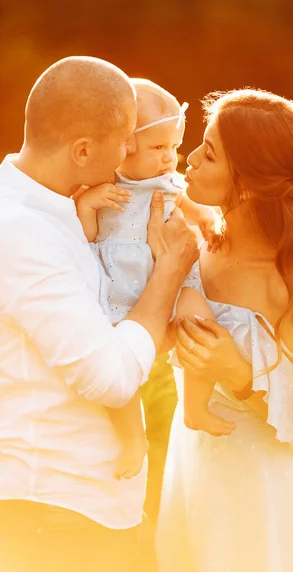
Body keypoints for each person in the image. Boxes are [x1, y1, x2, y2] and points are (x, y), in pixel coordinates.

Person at [156, 89, 293, 572]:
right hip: (192, 467)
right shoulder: (200, 241)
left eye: (208, 153)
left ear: (250, 183)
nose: (189, 159)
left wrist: (237, 372)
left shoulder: (292, 280)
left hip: (258, 493)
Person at [0, 56, 198, 572]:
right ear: (84, 150)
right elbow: (109, 378)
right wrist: (169, 274)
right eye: (125, 137)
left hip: (96, 510)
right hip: (56, 517)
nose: (130, 149)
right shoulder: (21, 232)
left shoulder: (68, 209)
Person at [75, 78, 224, 479]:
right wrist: (88, 206)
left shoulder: (169, 183)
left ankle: (194, 404)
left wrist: (207, 220)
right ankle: (132, 437)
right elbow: (85, 239)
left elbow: (191, 207)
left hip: (176, 278)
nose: (170, 158)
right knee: (117, 359)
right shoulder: (100, 186)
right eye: (160, 148)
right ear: (125, 145)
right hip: (121, 290)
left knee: (200, 322)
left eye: (174, 147)